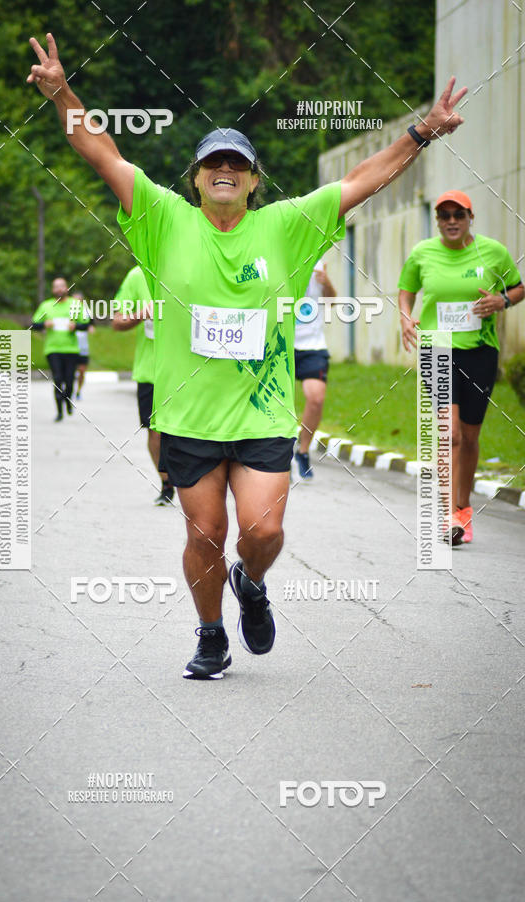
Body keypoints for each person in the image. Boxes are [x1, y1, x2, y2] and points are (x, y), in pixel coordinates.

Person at [28, 33, 466, 677]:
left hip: (262, 417)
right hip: (189, 417)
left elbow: (360, 181)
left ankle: (251, 584)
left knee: (261, 534)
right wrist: (62, 91)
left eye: (236, 163)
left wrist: (421, 133)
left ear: (254, 180)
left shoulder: (287, 225)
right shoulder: (162, 219)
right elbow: (103, 153)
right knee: (202, 534)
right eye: (212, 164)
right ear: (197, 178)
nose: (223, 170)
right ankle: (210, 634)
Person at [398, 190, 523, 544]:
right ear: (437, 220)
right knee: (448, 433)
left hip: (480, 351)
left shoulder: (493, 252)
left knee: (469, 437)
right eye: (444, 215)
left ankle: (463, 509)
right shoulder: (423, 253)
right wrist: (406, 318)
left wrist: (502, 301)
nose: (451, 221)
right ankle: (448, 514)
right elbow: (406, 291)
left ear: (470, 218)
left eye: (458, 214)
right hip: (436, 349)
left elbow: (518, 287)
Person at [112, 265, 174, 506]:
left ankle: (192, 480)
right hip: (151, 371)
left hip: (188, 371)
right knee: (155, 431)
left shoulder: (192, 264)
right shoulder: (137, 275)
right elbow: (117, 321)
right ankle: (166, 482)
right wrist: (141, 314)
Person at [292, 257, 336, 481]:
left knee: (316, 398)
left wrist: (326, 282)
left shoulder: (319, 262)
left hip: (313, 345)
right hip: (282, 344)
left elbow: (332, 302)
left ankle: (302, 450)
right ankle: (280, 452)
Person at [31, 276, 91, 421]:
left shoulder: (75, 304)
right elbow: (34, 324)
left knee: (69, 381)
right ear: (52, 290)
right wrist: (44, 324)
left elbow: (86, 324)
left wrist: (75, 326)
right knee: (58, 379)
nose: (59, 289)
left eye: (61, 286)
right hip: (53, 349)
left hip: (71, 349)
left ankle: (68, 401)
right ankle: (59, 412)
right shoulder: (46, 306)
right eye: (56, 286)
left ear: (67, 288)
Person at [71, 291, 95, 400]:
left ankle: (79, 391)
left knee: (81, 371)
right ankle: (69, 390)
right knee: (70, 371)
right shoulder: (68, 311)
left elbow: (91, 325)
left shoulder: (86, 312)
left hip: (83, 346)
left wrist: (90, 328)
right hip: (70, 346)